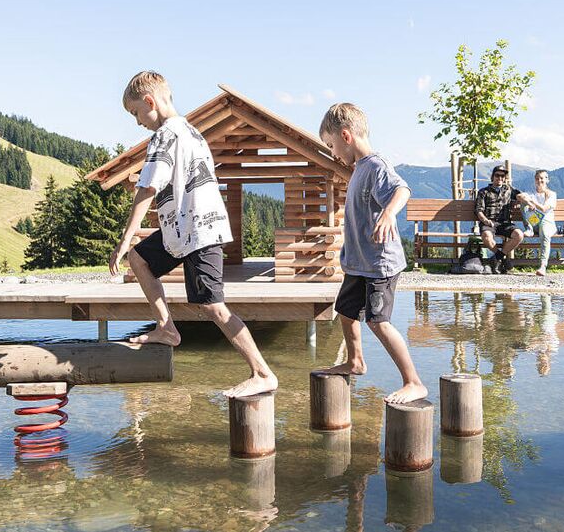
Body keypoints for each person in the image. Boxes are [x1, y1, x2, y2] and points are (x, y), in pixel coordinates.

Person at [109, 70, 277, 398]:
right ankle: (167, 329)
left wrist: (125, 237)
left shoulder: (164, 135)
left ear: (149, 101)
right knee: (140, 258)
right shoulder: (192, 132)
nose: (137, 121)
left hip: (198, 231)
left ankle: (262, 372)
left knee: (213, 306)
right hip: (185, 229)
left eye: (136, 113)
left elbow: (147, 189)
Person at [317, 102, 427, 404]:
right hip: (358, 264)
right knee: (345, 312)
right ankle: (355, 362)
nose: (332, 152)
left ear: (346, 135)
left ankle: (414, 381)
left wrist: (390, 213)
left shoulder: (376, 165)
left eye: (332, 145)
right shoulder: (359, 169)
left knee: (378, 321)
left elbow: (402, 189)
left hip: (379, 264)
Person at [475, 165, 528, 274]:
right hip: (489, 222)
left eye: (502, 176)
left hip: (505, 223)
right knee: (486, 237)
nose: (500, 178)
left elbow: (521, 195)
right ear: (492, 177)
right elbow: (478, 210)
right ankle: (503, 259)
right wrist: (485, 221)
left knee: (519, 235)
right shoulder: (483, 192)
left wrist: (528, 202)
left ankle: (496, 258)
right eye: (497, 175)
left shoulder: (509, 189)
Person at [522, 169, 557, 276]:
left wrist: (532, 202)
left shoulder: (551, 194)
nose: (539, 180)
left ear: (547, 180)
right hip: (534, 223)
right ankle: (529, 228)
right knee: (523, 203)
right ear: (534, 180)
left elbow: (544, 209)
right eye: (537, 178)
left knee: (545, 233)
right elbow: (520, 196)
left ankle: (543, 266)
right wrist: (527, 201)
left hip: (548, 223)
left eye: (542, 178)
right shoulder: (531, 193)